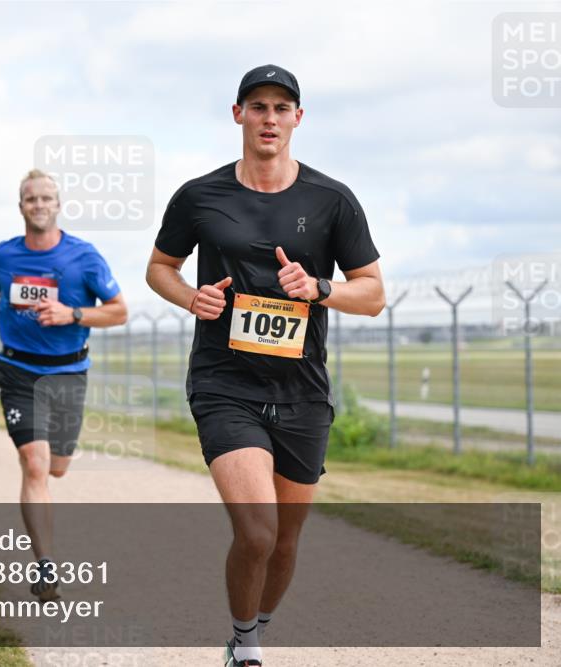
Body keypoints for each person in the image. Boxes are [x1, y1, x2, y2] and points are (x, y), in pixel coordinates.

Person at [145, 65, 385, 667]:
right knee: (257, 530)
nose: (269, 118)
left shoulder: (332, 199)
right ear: (238, 115)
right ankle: (245, 647)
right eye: (258, 106)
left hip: (302, 389)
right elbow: (159, 268)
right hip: (225, 382)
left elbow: (374, 294)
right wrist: (189, 297)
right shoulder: (200, 196)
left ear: (298, 118)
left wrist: (318, 288)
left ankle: (252, 626)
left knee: (285, 541)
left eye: (282, 107)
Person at [0, 169, 127, 602]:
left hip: (68, 373)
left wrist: (71, 314)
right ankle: (46, 566)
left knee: (57, 466)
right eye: (30, 199)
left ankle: (47, 539)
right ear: (20, 206)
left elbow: (118, 312)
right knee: (35, 466)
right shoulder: (5, 255)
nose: (38, 205)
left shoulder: (84, 256)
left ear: (59, 205)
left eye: (46, 198)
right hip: (18, 370)